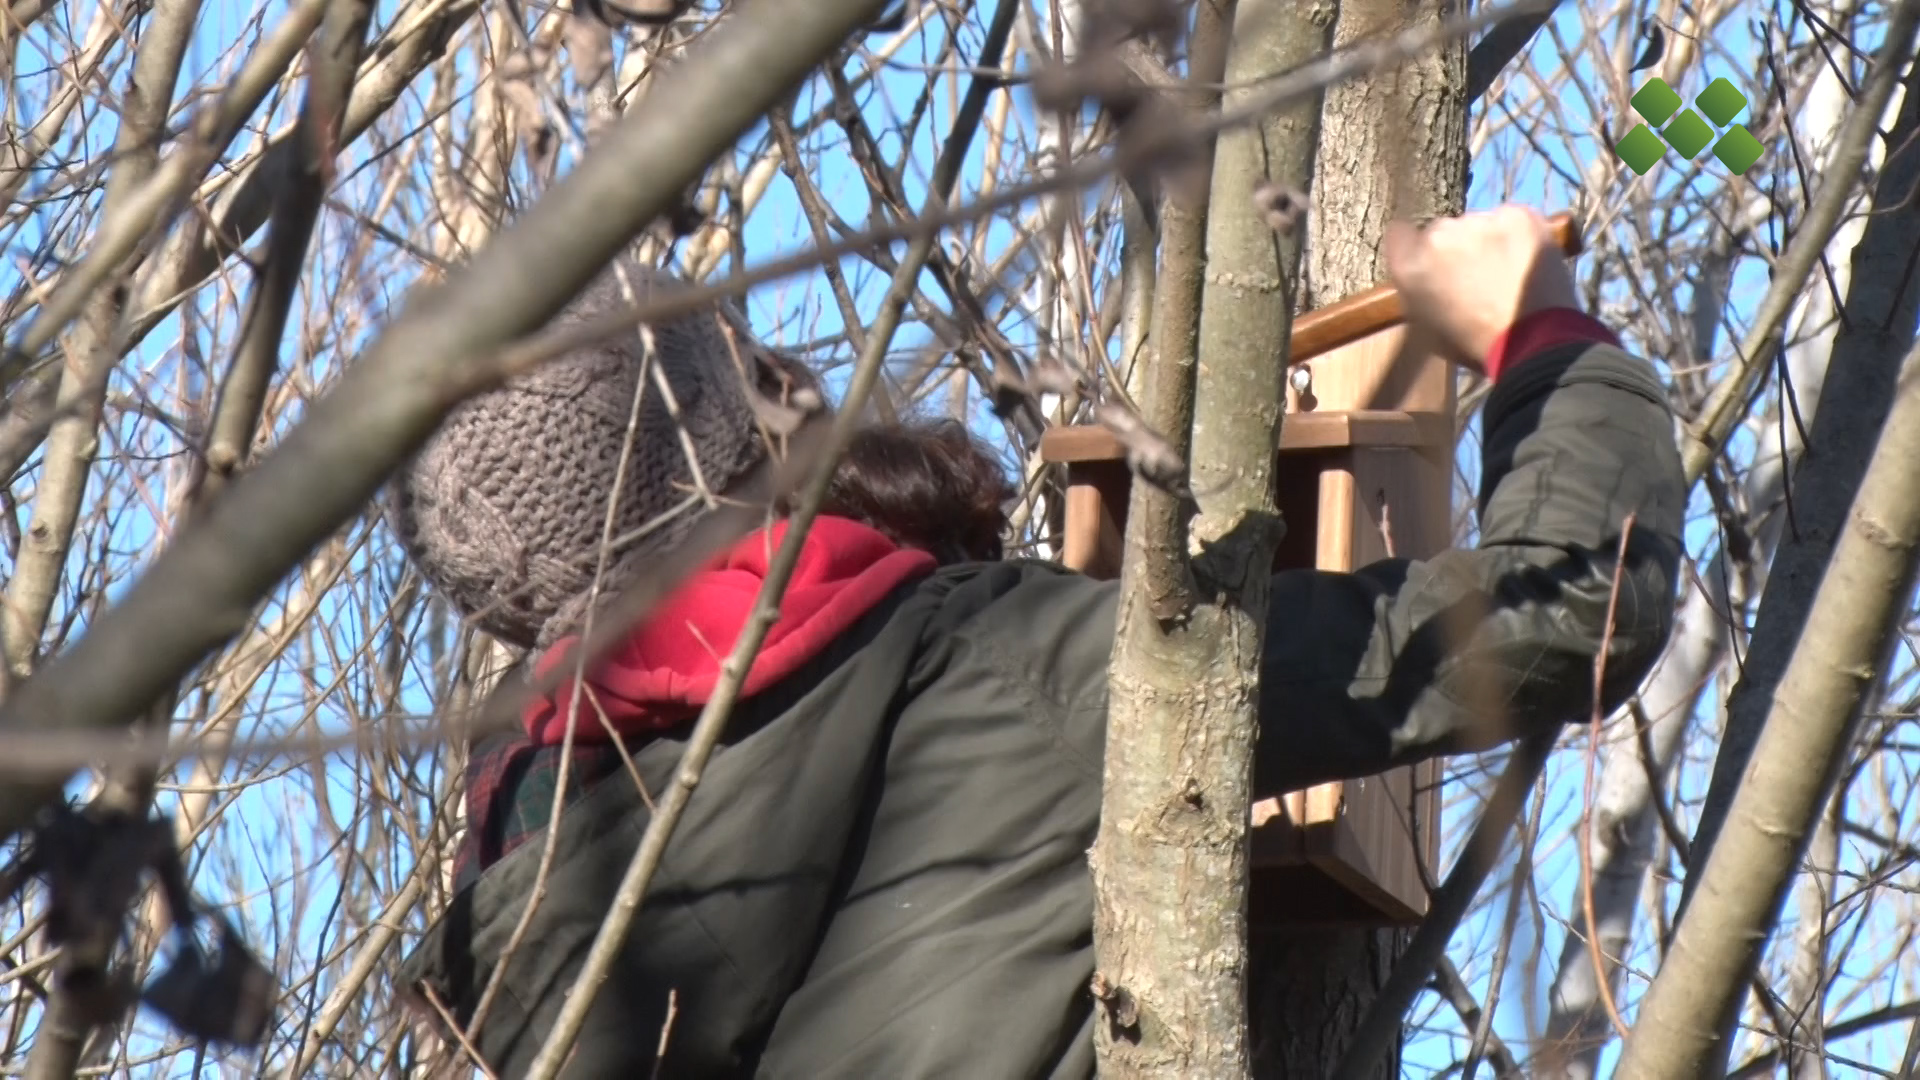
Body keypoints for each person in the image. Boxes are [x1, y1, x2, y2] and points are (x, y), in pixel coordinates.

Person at [391, 205, 1685, 1078]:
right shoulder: (991, 673)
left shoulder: (534, 885)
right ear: (750, 409)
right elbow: (1575, 605)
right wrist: (1543, 331)